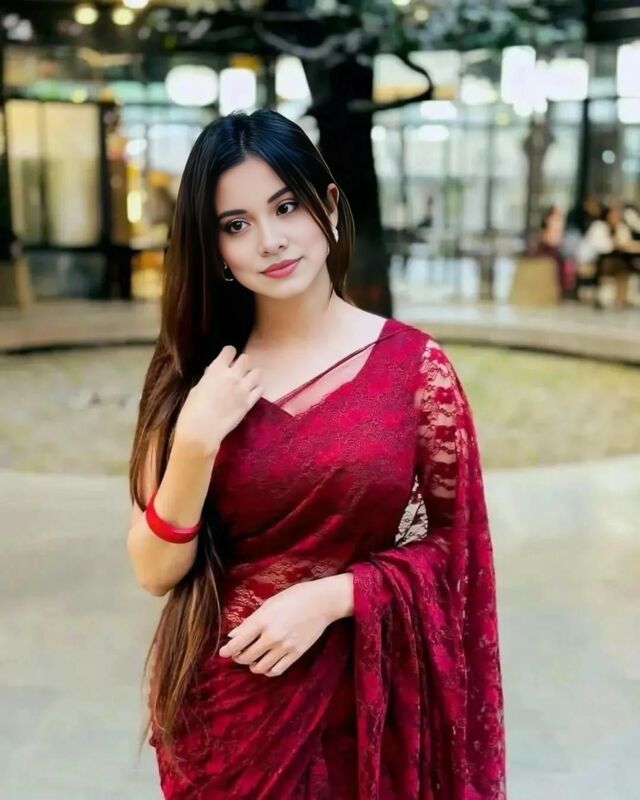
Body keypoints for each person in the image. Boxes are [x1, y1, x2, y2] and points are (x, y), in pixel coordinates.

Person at [126, 108, 506, 799]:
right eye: (236, 224)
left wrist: (334, 596)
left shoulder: (415, 370)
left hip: (369, 708)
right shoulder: (198, 376)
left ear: (328, 206)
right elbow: (154, 571)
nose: (270, 240)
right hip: (228, 717)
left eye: (286, 207)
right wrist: (196, 443)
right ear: (214, 248)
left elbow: (458, 548)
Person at [578, 202, 639, 309]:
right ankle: (610, 296)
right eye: (614, 214)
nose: (616, 217)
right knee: (615, 262)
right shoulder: (598, 227)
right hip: (594, 260)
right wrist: (616, 243)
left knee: (624, 265)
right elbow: (603, 247)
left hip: (614, 260)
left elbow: (626, 243)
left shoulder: (620, 227)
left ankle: (621, 298)